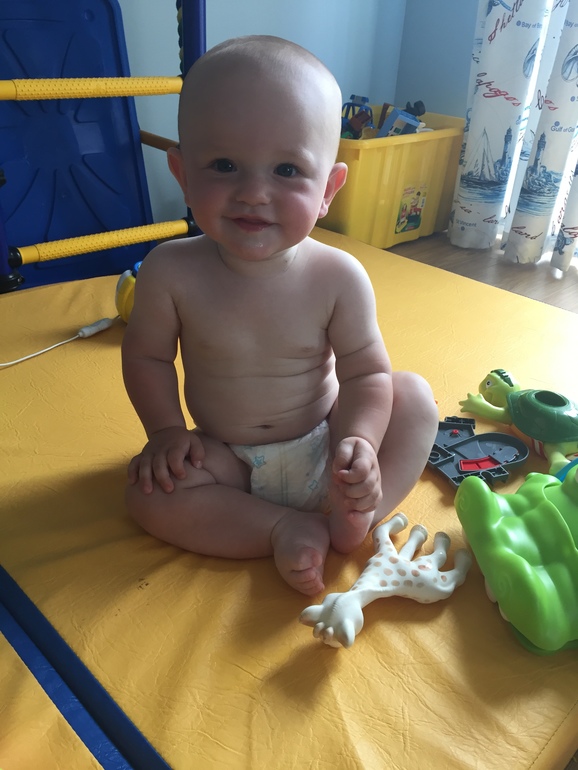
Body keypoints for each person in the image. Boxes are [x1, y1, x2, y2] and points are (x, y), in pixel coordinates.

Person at [122, 35, 439, 596]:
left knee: (413, 397)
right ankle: (278, 527)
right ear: (182, 173)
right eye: (224, 165)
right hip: (228, 462)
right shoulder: (169, 271)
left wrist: (361, 443)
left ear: (328, 189)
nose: (254, 193)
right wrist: (166, 432)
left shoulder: (338, 276)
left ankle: (358, 511)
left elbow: (366, 372)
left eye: (287, 170)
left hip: (330, 443)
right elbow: (146, 357)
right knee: (147, 492)